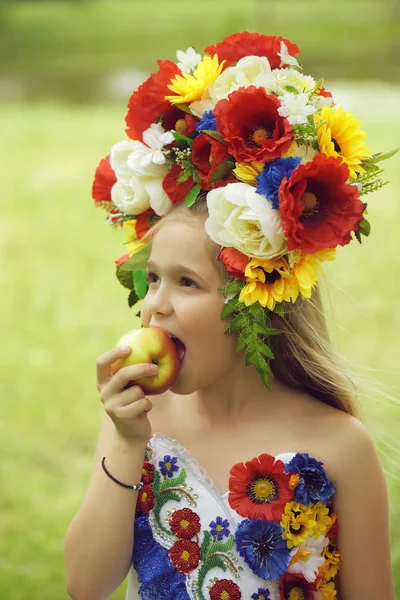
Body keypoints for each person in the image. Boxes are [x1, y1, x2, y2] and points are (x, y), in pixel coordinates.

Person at [64, 32, 396, 600]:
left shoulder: (341, 447)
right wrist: (124, 442)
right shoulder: (140, 422)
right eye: (153, 279)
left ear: (256, 300)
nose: (154, 304)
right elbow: (84, 584)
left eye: (187, 283)